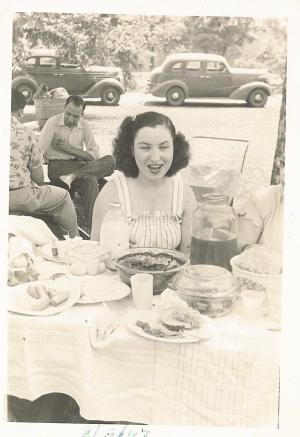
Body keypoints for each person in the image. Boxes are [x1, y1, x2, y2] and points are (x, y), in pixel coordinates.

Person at [91, 111, 197, 253]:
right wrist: (111, 248)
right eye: (145, 147)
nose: (155, 158)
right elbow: (95, 255)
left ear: (175, 148)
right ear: (132, 150)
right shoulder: (111, 192)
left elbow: (189, 258)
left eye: (164, 147)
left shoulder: (185, 194)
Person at [38, 94, 116, 231]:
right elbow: (38, 151)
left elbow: (93, 156)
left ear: (82, 114)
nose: (70, 119)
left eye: (75, 116)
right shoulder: (52, 122)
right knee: (91, 179)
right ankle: (93, 226)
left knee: (111, 161)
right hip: (58, 166)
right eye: (68, 114)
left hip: (78, 166)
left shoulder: (85, 126)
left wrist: (69, 149)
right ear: (64, 108)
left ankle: (93, 227)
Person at [9, 89, 79, 238]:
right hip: (20, 196)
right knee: (64, 197)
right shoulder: (26, 133)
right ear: (21, 112)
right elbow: (39, 178)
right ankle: (76, 242)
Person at [237, 159, 284, 254]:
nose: (284, 172)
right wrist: (249, 251)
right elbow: (238, 249)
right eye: (284, 164)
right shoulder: (262, 199)